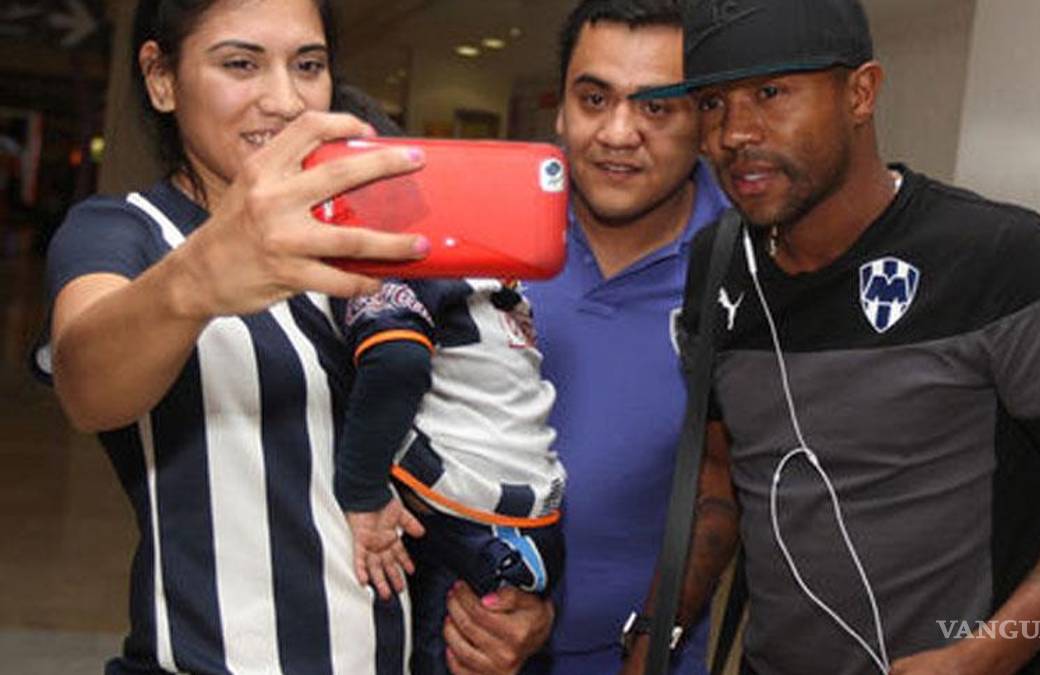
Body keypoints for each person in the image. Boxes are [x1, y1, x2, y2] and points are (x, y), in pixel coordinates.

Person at [623, 1, 1040, 674]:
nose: (733, 133)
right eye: (711, 103)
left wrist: (983, 656)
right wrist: (655, 633)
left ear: (861, 92)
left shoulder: (1001, 260)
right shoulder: (719, 266)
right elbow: (719, 479)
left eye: (770, 93)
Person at [41, 1, 542, 672]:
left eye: (308, 66)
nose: (284, 100)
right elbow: (87, 385)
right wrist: (198, 278)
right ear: (161, 79)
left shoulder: (378, 240)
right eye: (240, 64)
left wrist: (511, 603)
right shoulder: (126, 233)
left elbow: (481, 427)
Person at [521, 1, 729, 673]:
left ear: (705, 120)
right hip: (455, 643)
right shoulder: (486, 237)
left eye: (656, 108)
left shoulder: (750, 268)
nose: (617, 133)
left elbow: (739, 489)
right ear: (561, 110)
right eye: (593, 99)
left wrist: (654, 639)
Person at [329, 92, 567, 675]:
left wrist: (360, 490)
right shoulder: (479, 258)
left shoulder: (395, 260)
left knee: (448, 652)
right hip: (532, 504)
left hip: (467, 510)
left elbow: (398, 361)